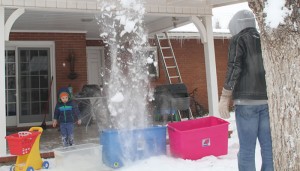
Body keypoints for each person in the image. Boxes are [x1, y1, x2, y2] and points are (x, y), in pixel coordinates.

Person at [218, 10, 274, 171]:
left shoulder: (239, 39)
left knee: (247, 151)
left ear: (237, 24)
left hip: (246, 103)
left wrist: (225, 96)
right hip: (267, 103)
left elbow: (234, 66)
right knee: (269, 149)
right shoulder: (265, 39)